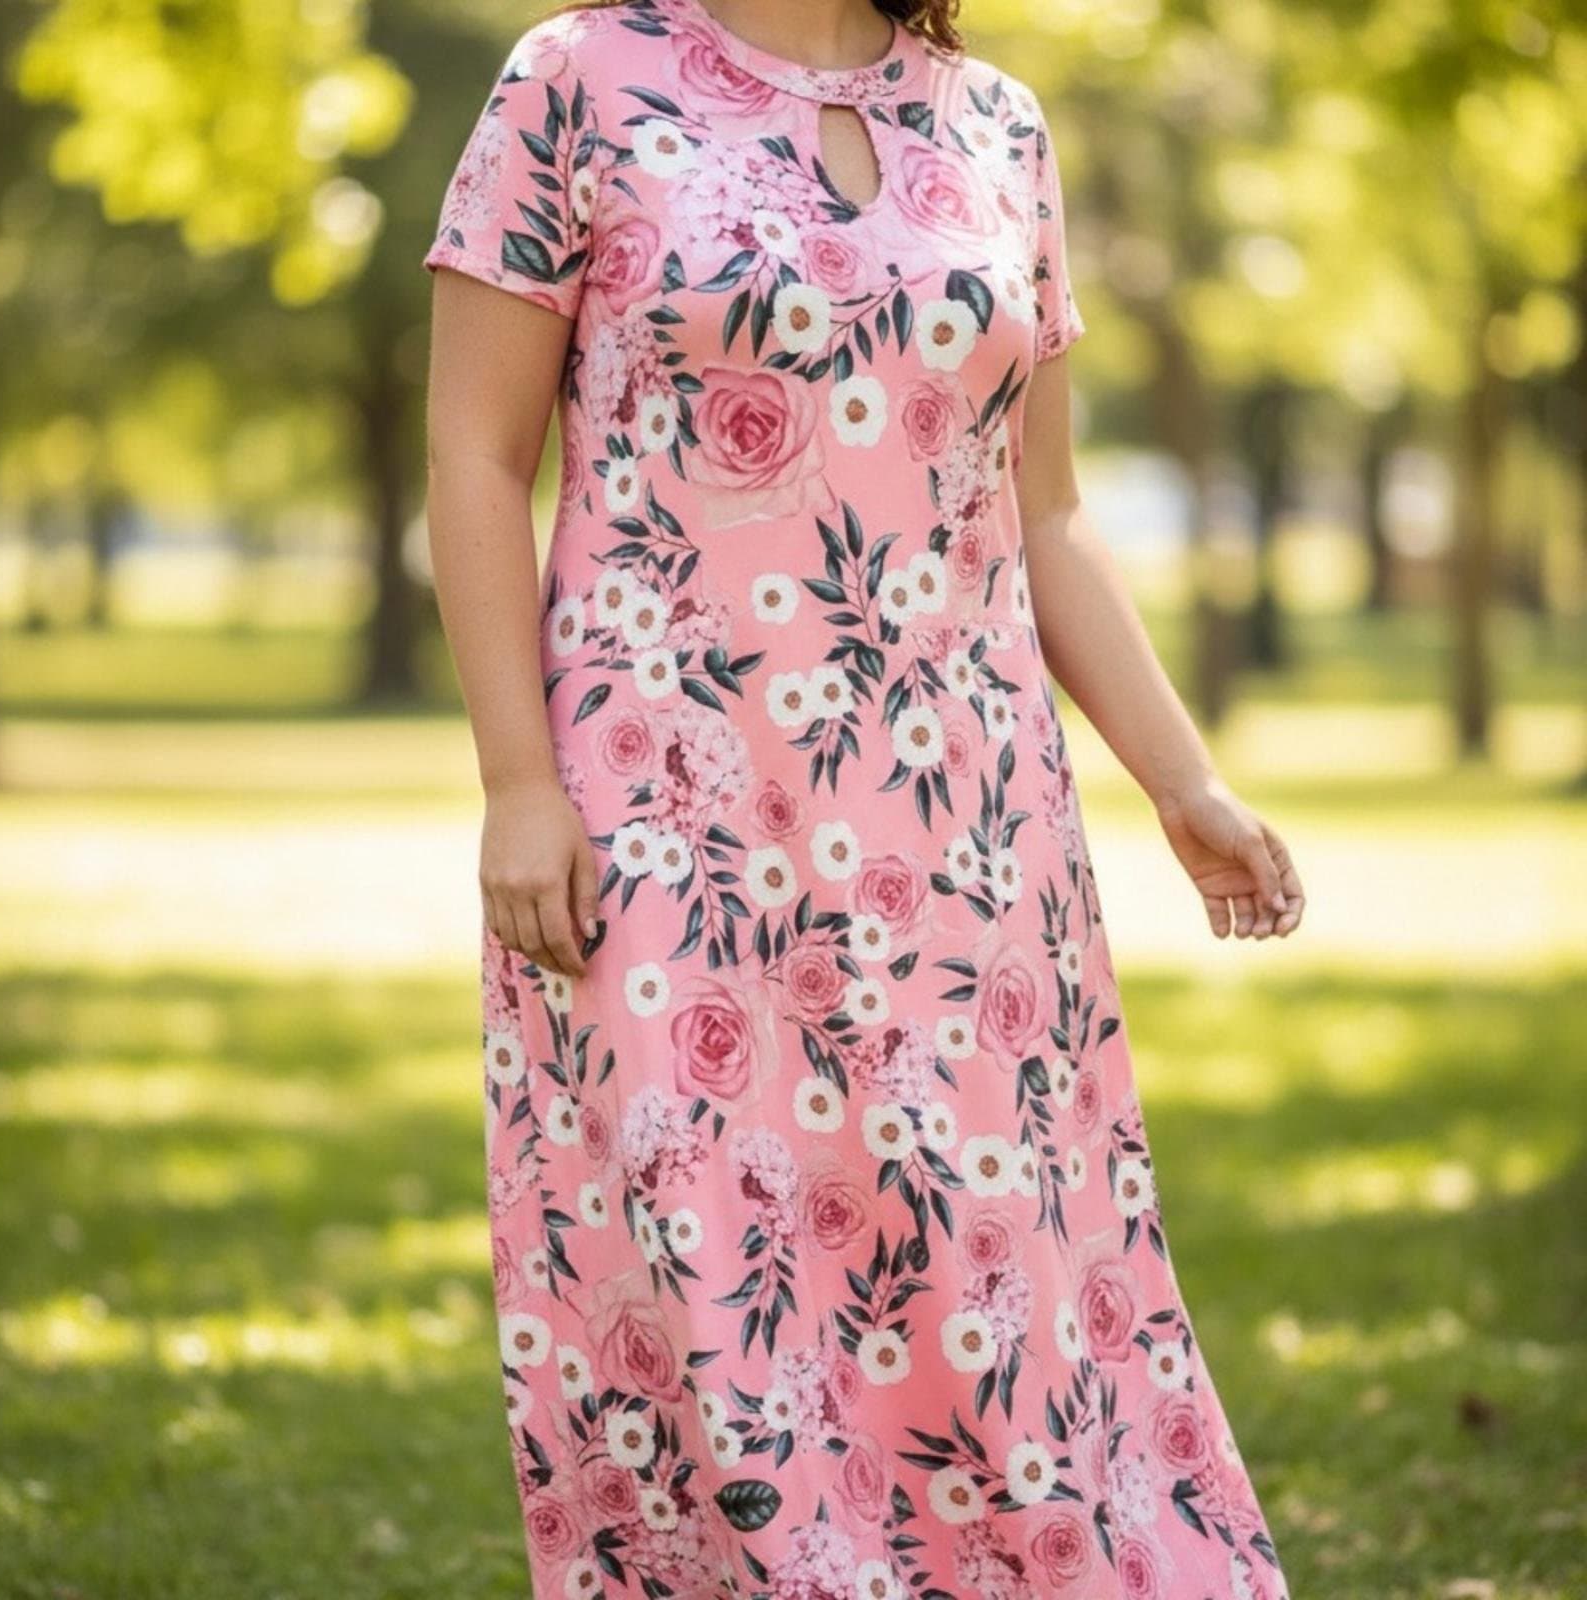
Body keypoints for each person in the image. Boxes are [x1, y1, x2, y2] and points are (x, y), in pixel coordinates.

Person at [422, 2, 1304, 1596]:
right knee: (710, 1267)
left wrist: (1185, 781)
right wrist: (513, 781)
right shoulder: (575, 79)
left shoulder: (998, 125)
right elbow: (474, 458)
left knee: (981, 1268)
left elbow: (1048, 518)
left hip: (967, 824)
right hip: (662, 811)